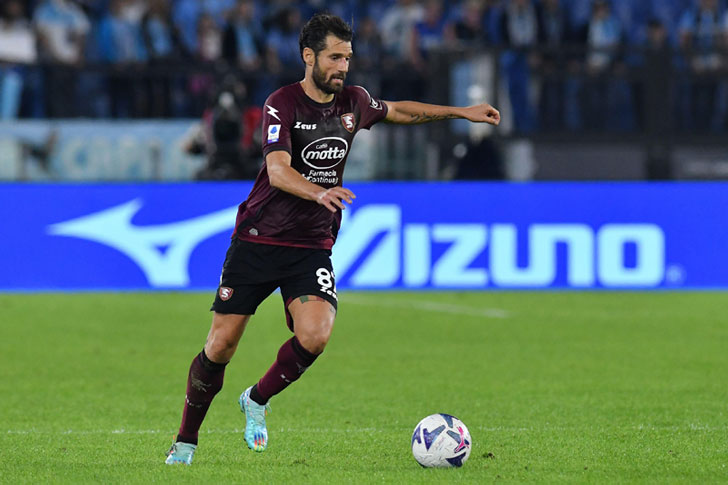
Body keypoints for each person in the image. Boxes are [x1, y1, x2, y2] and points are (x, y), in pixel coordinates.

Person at [164, 13, 500, 465]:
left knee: (316, 336)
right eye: (335, 57)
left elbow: (399, 110)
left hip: (310, 244)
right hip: (259, 240)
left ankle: (256, 400)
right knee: (221, 344)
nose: (343, 66)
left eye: (348, 57)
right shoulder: (281, 104)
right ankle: (186, 440)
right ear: (309, 56)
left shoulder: (354, 102)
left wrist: (461, 112)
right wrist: (319, 190)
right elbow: (279, 171)